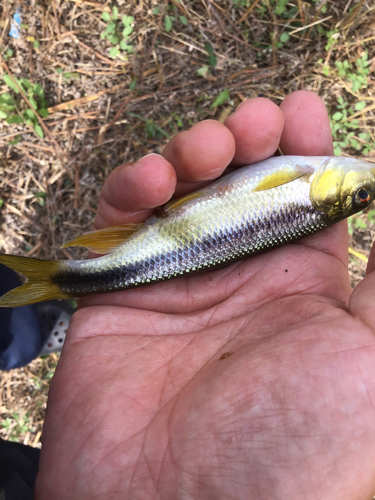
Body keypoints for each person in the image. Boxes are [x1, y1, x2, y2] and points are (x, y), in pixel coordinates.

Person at [28, 90, 375, 499]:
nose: (365, 184)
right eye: (364, 195)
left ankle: (44, 301)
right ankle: (33, 321)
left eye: (362, 194)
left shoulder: (306, 181)